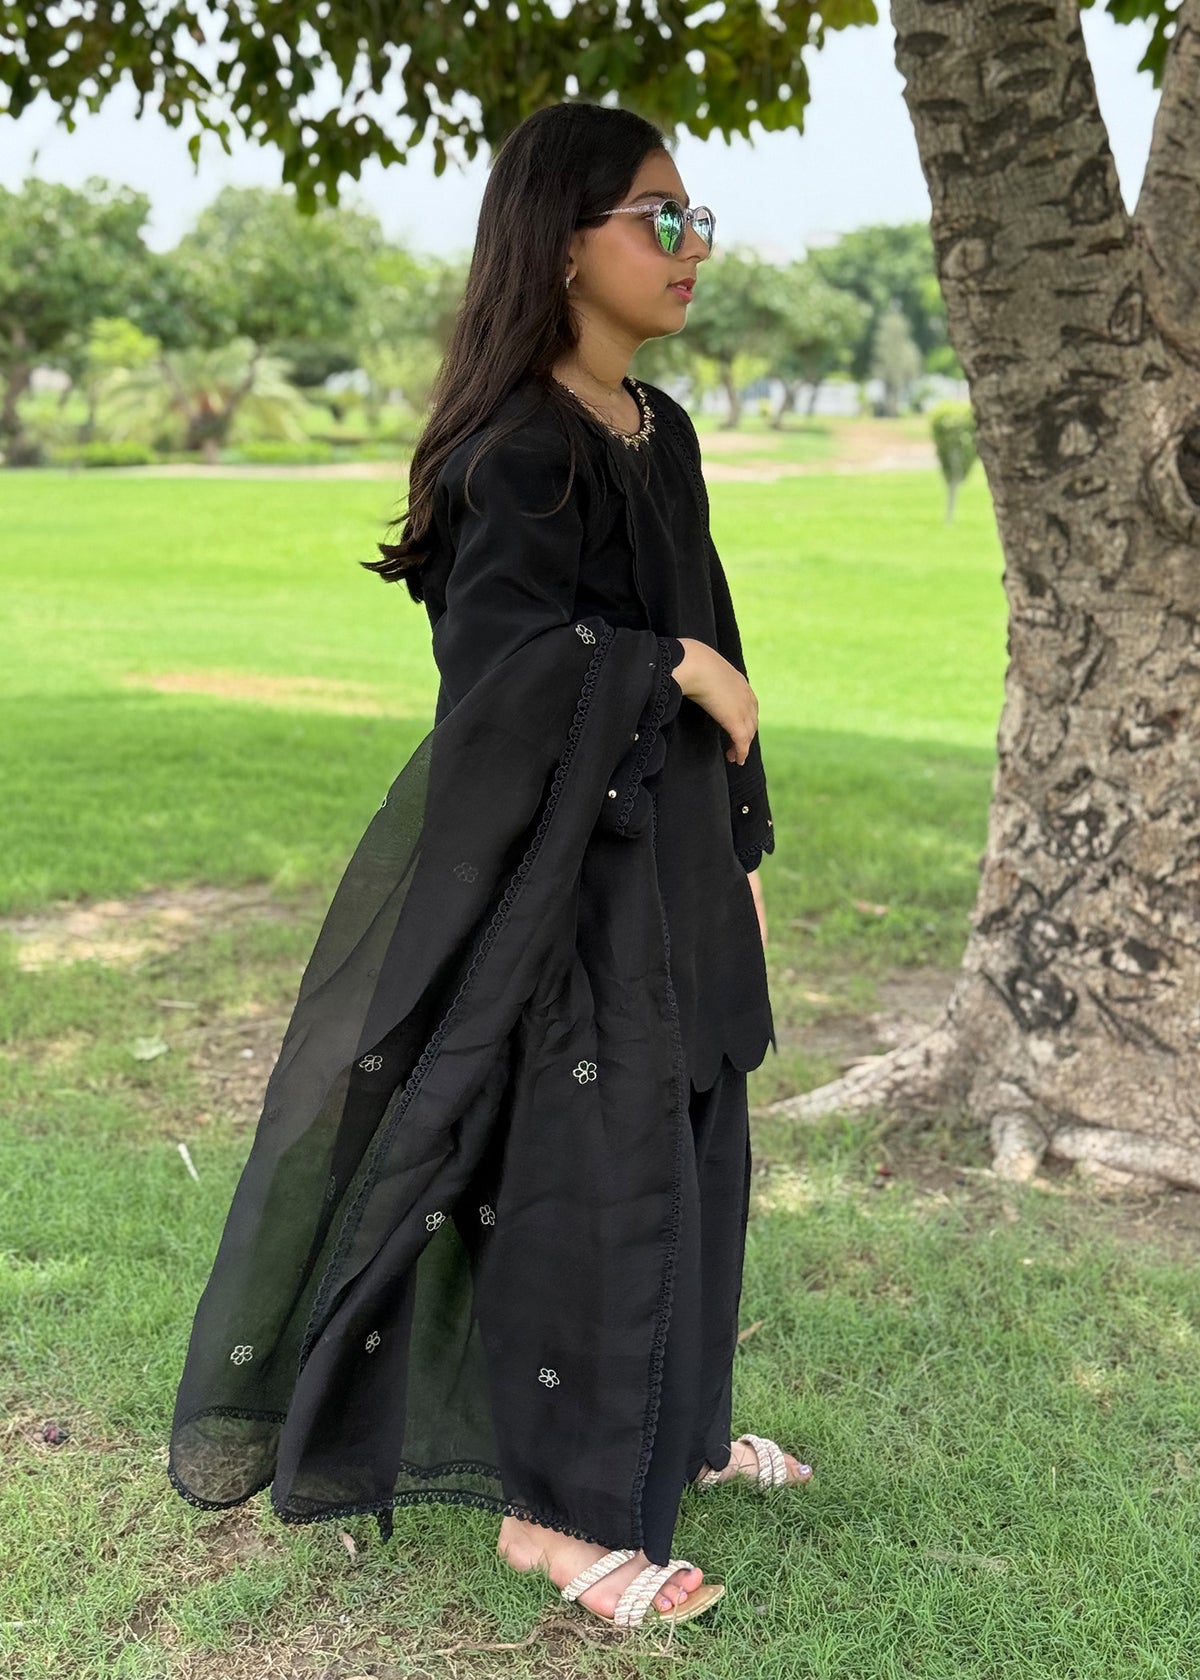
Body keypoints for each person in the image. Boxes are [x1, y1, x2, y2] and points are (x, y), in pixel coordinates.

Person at [167, 98, 812, 1634]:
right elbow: (506, 679)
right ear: (561, 241)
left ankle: (682, 1435)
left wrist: (741, 844)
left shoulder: (662, 431)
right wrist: (670, 669)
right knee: (592, 1176)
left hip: (676, 861)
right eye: (659, 217)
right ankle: (553, 1517)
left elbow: (721, 642)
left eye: (698, 217)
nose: (692, 245)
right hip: (567, 887)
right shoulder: (514, 452)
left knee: (701, 1143)